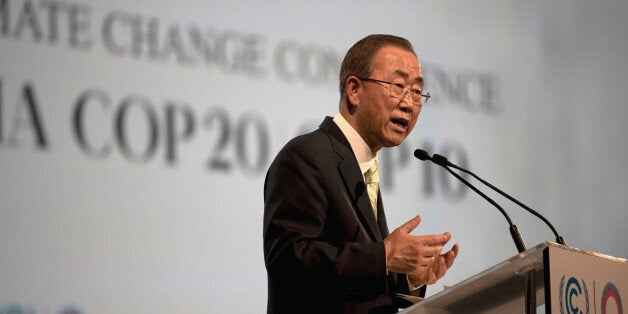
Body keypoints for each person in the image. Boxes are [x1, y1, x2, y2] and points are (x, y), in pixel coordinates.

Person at [263, 34, 459, 314]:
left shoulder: (363, 165)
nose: (409, 103)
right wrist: (385, 255)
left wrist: (408, 279)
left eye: (417, 91)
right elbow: (288, 261)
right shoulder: (306, 155)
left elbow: (349, 285)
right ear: (354, 89)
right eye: (398, 85)